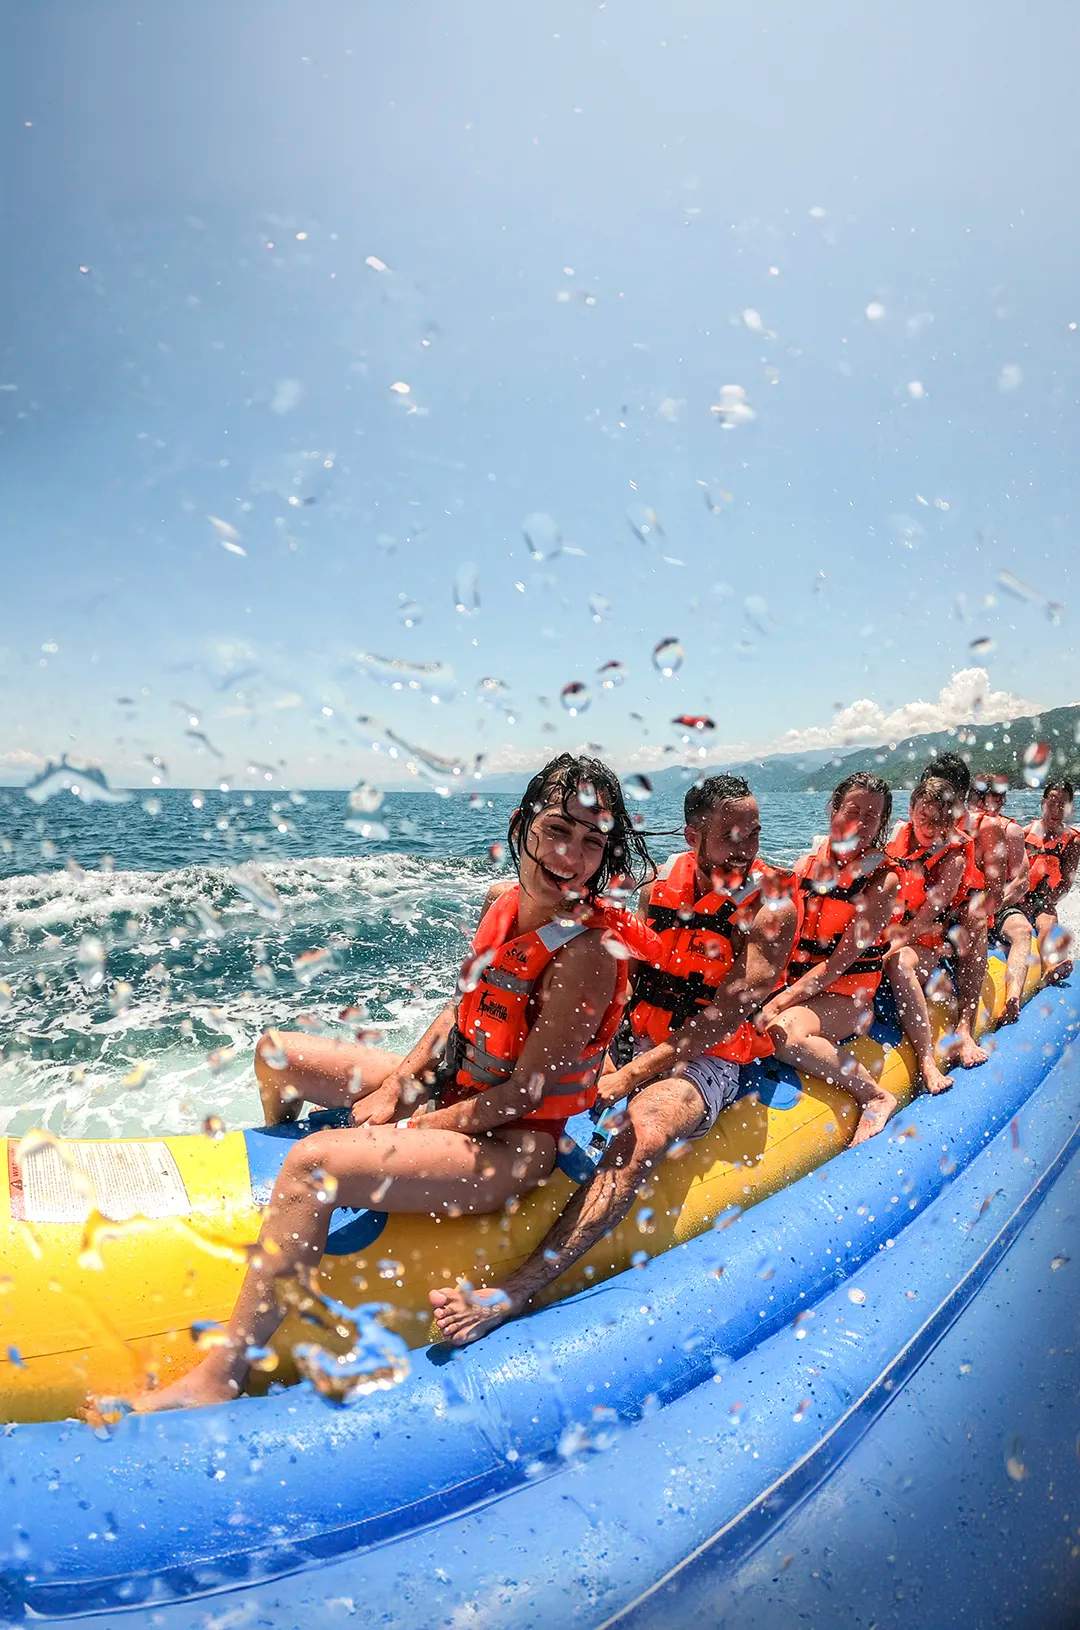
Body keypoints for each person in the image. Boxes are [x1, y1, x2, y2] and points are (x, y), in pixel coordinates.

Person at [129, 754, 657, 1411]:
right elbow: (464, 1009)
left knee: (314, 1166)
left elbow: (523, 1096)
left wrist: (411, 1126)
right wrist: (401, 1082)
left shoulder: (584, 956)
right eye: (558, 830)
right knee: (274, 1054)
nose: (571, 857)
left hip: (510, 1145)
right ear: (522, 824)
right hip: (454, 1088)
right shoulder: (501, 903)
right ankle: (292, 1185)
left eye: (591, 843)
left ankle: (220, 1375)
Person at [429, 773, 799, 1348]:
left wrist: (630, 1074)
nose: (745, 847)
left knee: (642, 1131)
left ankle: (516, 1290)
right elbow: (622, 976)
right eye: (729, 835)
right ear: (692, 834)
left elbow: (729, 1011)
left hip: (712, 1054)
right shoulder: (657, 892)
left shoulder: (771, 903)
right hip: (637, 1037)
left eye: (753, 832)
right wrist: (601, 1055)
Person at [756, 772, 901, 1141]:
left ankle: (875, 1095)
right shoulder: (807, 866)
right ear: (833, 810)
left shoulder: (883, 882)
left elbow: (838, 963)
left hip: (846, 994)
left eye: (872, 817)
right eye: (853, 810)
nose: (860, 822)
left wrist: (780, 1002)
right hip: (801, 984)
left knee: (782, 1034)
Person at [883, 776, 972, 1094]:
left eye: (940, 821)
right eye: (924, 818)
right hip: (887, 932)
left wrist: (893, 944)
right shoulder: (896, 838)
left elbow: (927, 915)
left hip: (923, 943)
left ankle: (926, 1060)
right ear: (910, 809)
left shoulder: (954, 858)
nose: (931, 828)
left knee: (898, 963)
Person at [913, 752, 991, 1067]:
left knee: (976, 918)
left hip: (956, 914)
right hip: (918, 914)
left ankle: (965, 1026)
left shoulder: (969, 835)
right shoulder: (911, 828)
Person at [970, 774, 1034, 1023]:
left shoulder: (1012, 831)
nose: (986, 801)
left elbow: (1021, 882)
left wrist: (993, 907)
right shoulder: (961, 829)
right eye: (979, 795)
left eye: (993, 796)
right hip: (967, 907)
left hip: (1001, 905)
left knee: (1022, 930)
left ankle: (1012, 998)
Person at [1023, 777, 1080, 984]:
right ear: (1043, 802)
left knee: (1046, 918)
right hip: (1019, 897)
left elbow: (1065, 884)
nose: (1056, 809)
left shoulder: (1072, 840)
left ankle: (1051, 966)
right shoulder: (1024, 834)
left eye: (1062, 803)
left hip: (1045, 900)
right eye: (1052, 801)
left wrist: (1041, 901)